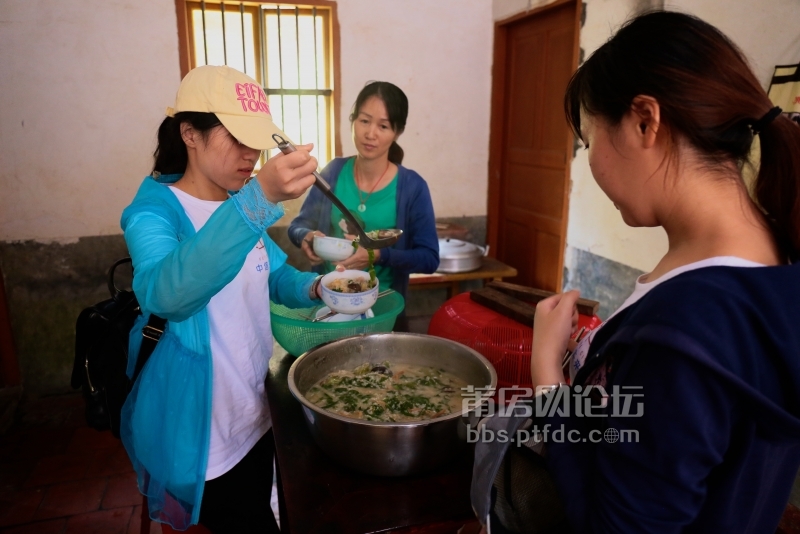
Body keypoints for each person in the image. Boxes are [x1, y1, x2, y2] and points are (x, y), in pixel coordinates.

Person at [526, 11, 800, 533]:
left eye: (588, 141)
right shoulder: (776, 250)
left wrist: (547, 378)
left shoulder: (688, 330)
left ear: (645, 121)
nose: (592, 162)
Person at [119, 65, 323, 532]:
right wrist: (258, 199)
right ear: (189, 133)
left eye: (256, 141)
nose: (250, 154)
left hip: (256, 409)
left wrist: (318, 286)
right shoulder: (153, 212)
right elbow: (167, 294)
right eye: (235, 137)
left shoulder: (238, 201)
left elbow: (273, 275)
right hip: (203, 431)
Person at [287, 81, 439, 328]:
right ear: (353, 121)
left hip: (384, 314)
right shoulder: (333, 172)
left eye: (383, 126)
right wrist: (306, 237)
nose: (371, 134)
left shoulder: (412, 187)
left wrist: (377, 255)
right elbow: (297, 226)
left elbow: (429, 259)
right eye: (364, 121)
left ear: (397, 132)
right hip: (329, 309)